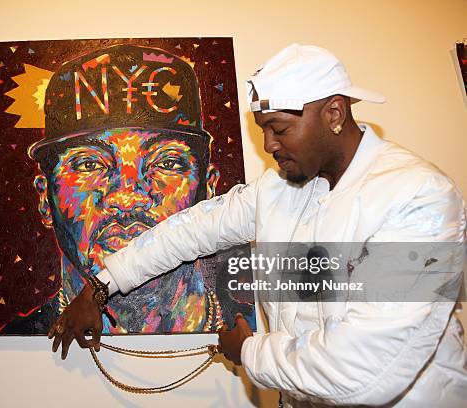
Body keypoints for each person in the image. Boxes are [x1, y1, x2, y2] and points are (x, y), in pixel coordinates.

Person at [48, 44, 467, 407]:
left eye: (279, 129)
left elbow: (365, 371)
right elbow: (189, 230)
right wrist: (100, 285)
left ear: (334, 113)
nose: (268, 146)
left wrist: (249, 351)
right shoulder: (282, 188)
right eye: (264, 130)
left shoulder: (418, 196)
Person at [2, 44, 242, 334]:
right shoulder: (18, 341)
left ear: (209, 190)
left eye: (165, 162)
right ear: (45, 198)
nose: (128, 198)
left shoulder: (254, 331)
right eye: (90, 165)